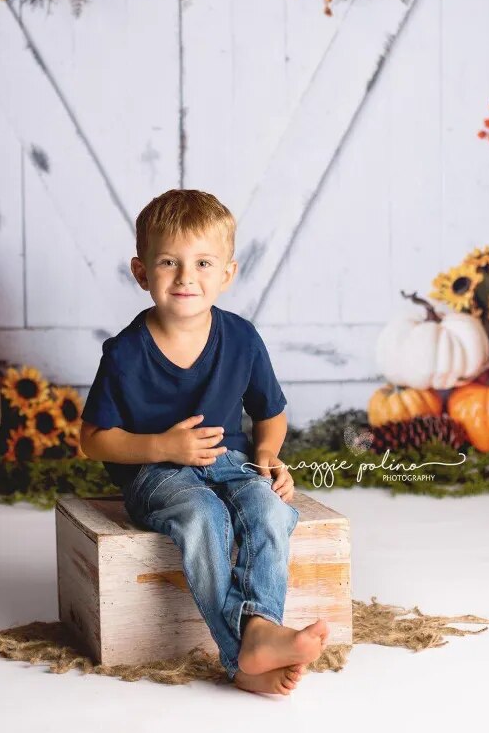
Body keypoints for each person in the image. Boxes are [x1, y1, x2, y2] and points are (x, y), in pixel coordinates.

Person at [79, 188, 329, 695]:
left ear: (227, 274)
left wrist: (266, 455)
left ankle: (257, 639)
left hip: (231, 462)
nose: (186, 277)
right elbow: (93, 439)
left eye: (203, 262)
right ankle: (246, 654)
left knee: (270, 510)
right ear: (142, 272)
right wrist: (162, 447)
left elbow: (272, 413)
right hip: (157, 475)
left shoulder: (241, 338)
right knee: (202, 516)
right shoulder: (126, 353)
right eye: (169, 262)